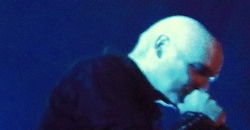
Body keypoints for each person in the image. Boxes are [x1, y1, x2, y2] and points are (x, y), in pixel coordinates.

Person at [37, 15, 227, 130]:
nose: (204, 86)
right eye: (199, 70)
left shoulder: (143, 108)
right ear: (161, 47)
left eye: (210, 79)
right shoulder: (100, 76)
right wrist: (196, 121)